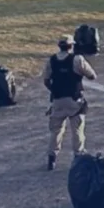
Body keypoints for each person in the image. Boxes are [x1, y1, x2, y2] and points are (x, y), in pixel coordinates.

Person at [42, 34, 97, 170]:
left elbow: (46, 80)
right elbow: (92, 76)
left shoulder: (52, 60)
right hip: (74, 100)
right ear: (71, 46)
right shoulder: (77, 59)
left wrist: (55, 90)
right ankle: (78, 157)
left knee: (56, 131)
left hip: (57, 100)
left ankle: (52, 157)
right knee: (77, 130)